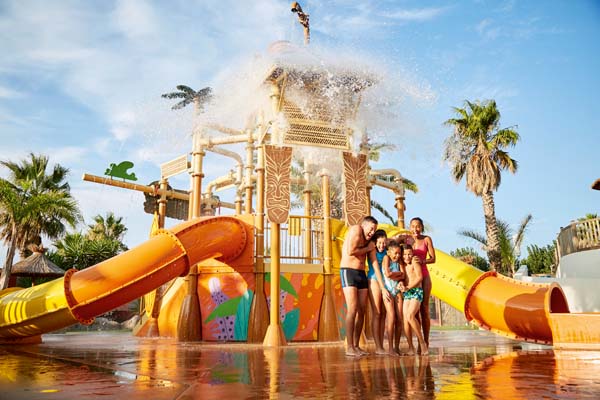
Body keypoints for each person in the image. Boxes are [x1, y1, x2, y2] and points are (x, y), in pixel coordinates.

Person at [393, 217, 436, 347]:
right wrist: (399, 238)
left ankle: (426, 341)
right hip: (409, 277)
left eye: (418, 226)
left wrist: (422, 261)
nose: (415, 229)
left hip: (423, 274)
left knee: (424, 309)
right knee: (413, 312)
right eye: (412, 226)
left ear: (421, 227)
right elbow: (392, 246)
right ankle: (418, 340)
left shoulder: (426, 239)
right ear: (410, 227)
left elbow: (433, 258)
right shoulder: (407, 239)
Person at [340, 215, 379, 357]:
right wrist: (368, 248)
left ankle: (356, 346)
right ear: (364, 225)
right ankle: (349, 346)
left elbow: (382, 241)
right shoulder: (356, 229)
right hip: (348, 271)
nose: (372, 233)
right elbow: (351, 251)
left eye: (374, 230)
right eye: (371, 229)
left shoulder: (369, 239)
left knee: (362, 310)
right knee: (353, 308)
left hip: (361, 273)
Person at [399, 245, 428, 355]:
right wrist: (401, 284)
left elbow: (420, 277)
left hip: (416, 291)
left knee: (410, 316)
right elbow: (402, 278)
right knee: (405, 319)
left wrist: (408, 287)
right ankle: (411, 347)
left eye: (409, 254)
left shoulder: (415, 262)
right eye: (405, 254)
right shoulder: (402, 264)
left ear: (413, 254)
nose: (407, 256)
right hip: (407, 293)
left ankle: (422, 343)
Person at [366, 229, 390, 355]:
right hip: (374, 280)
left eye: (384, 243)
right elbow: (376, 269)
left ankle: (381, 344)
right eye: (379, 243)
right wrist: (383, 288)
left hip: (385, 282)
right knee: (377, 312)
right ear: (375, 243)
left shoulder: (387, 249)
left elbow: (395, 240)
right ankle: (378, 346)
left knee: (384, 314)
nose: (382, 246)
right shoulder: (372, 251)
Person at [381, 240, 405, 356]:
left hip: (397, 290)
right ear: (389, 252)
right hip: (388, 291)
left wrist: (396, 276)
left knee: (400, 319)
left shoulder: (399, 261)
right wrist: (398, 275)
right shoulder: (386, 258)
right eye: (395, 253)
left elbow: (403, 275)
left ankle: (397, 347)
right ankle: (390, 348)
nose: (398, 255)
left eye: (399, 253)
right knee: (391, 316)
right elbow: (387, 273)